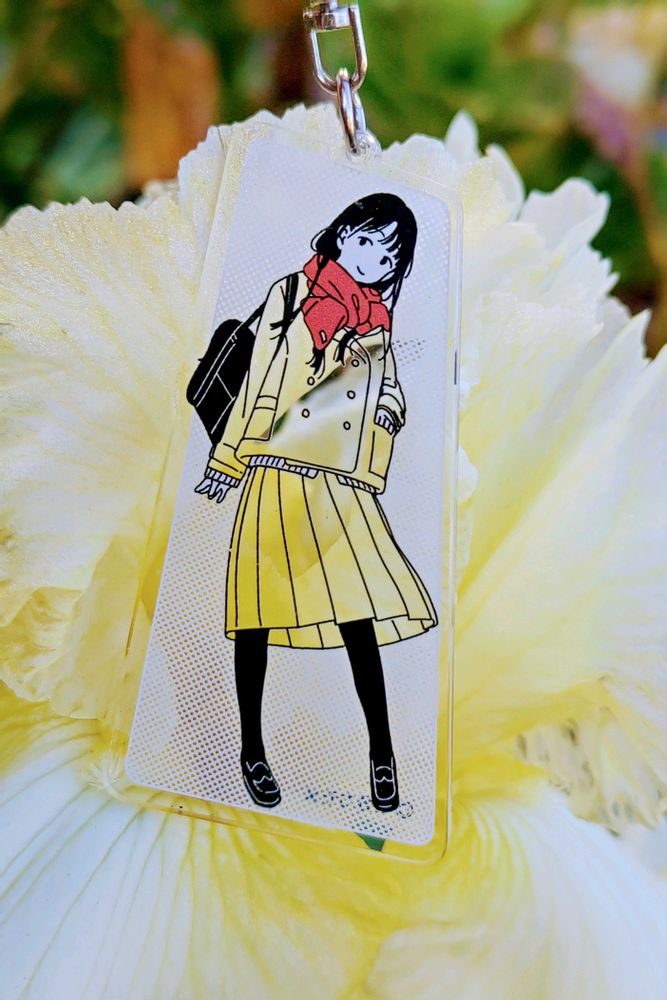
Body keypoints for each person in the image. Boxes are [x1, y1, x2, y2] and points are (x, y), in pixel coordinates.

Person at [194, 193, 437, 812]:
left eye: (388, 256)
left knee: (358, 614)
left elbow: (386, 385)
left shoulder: (377, 320)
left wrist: (390, 409)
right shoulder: (293, 293)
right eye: (365, 241)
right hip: (277, 466)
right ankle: (252, 750)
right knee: (257, 614)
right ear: (341, 233)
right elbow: (262, 379)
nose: (372, 260)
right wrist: (228, 459)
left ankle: (382, 758)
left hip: (338, 478)